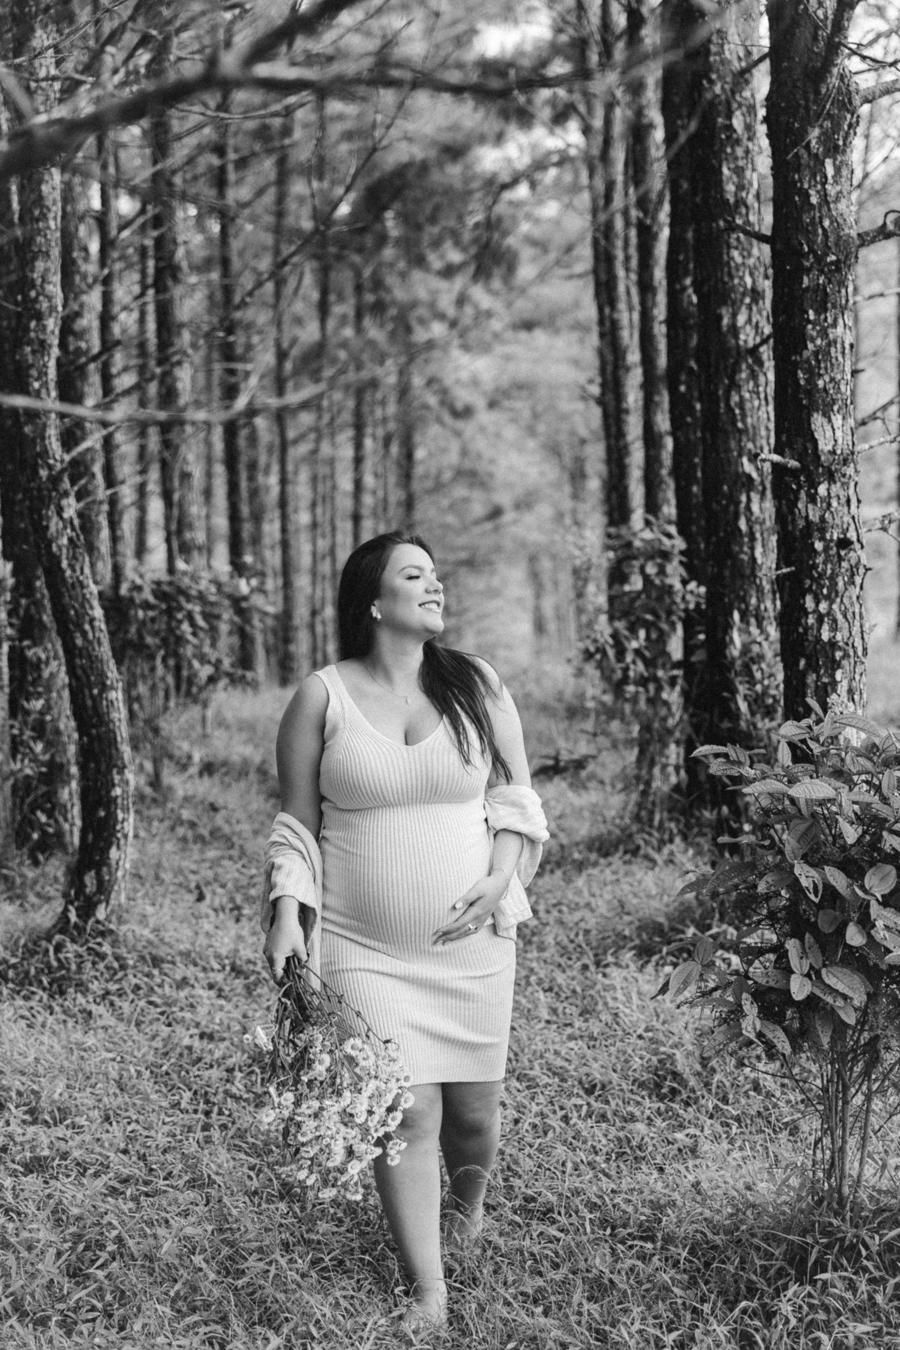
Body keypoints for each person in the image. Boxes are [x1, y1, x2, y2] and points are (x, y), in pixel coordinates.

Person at [261, 531, 547, 1336]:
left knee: (473, 1118)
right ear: (374, 602)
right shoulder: (322, 697)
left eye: (436, 575)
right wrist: (286, 913)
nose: (435, 586)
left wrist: (500, 875)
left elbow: (516, 799)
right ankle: (429, 1290)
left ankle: (467, 1214)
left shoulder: (475, 684)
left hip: (472, 945)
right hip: (363, 948)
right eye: (415, 575)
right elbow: (297, 826)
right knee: (407, 1111)